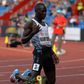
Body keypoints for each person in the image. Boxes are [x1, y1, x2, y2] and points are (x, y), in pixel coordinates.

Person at [21, 2, 58, 84]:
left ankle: (25, 76)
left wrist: (53, 53)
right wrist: (33, 32)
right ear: (37, 11)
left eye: (45, 11)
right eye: (42, 11)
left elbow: (46, 41)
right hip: (39, 55)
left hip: (48, 55)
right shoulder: (31, 23)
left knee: (52, 80)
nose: (44, 13)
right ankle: (18, 77)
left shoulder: (45, 24)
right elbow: (23, 40)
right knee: (32, 80)